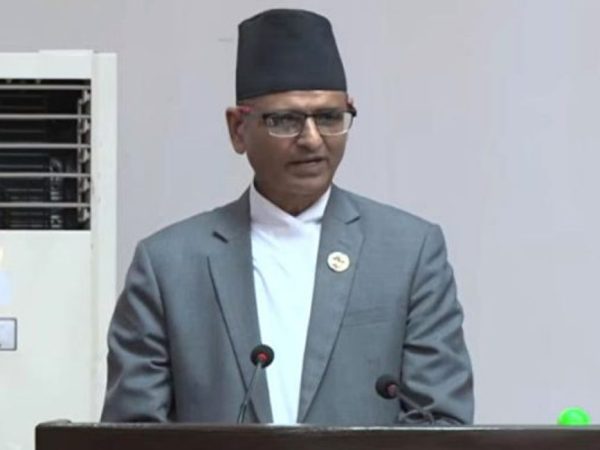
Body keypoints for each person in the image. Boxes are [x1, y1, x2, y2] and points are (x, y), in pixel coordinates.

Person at [101, 8, 474, 425]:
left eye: (329, 118)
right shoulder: (168, 265)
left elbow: (439, 422)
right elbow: (132, 432)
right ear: (238, 129)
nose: (312, 139)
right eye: (285, 120)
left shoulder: (408, 252)